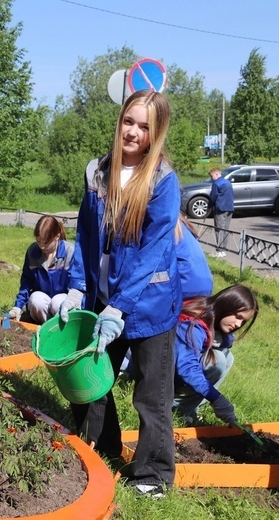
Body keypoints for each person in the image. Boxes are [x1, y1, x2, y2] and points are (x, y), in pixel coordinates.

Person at [58, 90, 182, 498]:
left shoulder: (163, 181)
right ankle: (100, 449)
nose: (133, 131)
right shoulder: (99, 171)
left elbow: (154, 252)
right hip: (100, 298)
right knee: (89, 379)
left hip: (149, 304)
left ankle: (153, 475)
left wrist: (120, 307)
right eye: (129, 121)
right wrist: (77, 288)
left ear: (155, 133)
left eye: (144, 126)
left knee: (151, 393)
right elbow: (86, 233)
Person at [119, 213, 213, 376]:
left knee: (132, 317)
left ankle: (132, 368)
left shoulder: (157, 223)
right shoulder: (182, 225)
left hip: (181, 294)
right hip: (202, 294)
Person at [173, 285, 258, 426]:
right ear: (226, 306)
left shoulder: (213, 316)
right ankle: (175, 408)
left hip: (174, 370)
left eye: (243, 321)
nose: (238, 324)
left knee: (228, 357)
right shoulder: (194, 324)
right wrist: (215, 398)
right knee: (216, 361)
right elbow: (186, 367)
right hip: (158, 374)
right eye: (237, 317)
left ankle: (191, 408)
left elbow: (226, 340)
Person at [8, 215, 74, 324]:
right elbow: (26, 282)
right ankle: (47, 329)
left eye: (46, 242)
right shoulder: (32, 252)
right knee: (35, 300)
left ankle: (64, 331)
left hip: (63, 300)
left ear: (57, 236)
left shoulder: (70, 252)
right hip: (43, 301)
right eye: (38, 241)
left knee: (57, 302)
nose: (42, 247)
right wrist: (17, 306)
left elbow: (76, 287)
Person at [208, 167, 234, 258]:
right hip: (230, 208)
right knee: (225, 229)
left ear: (216, 174)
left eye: (212, 176)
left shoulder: (216, 184)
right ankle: (224, 250)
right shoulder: (228, 182)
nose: (212, 178)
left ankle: (219, 250)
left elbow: (213, 197)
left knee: (219, 229)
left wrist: (209, 207)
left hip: (220, 209)